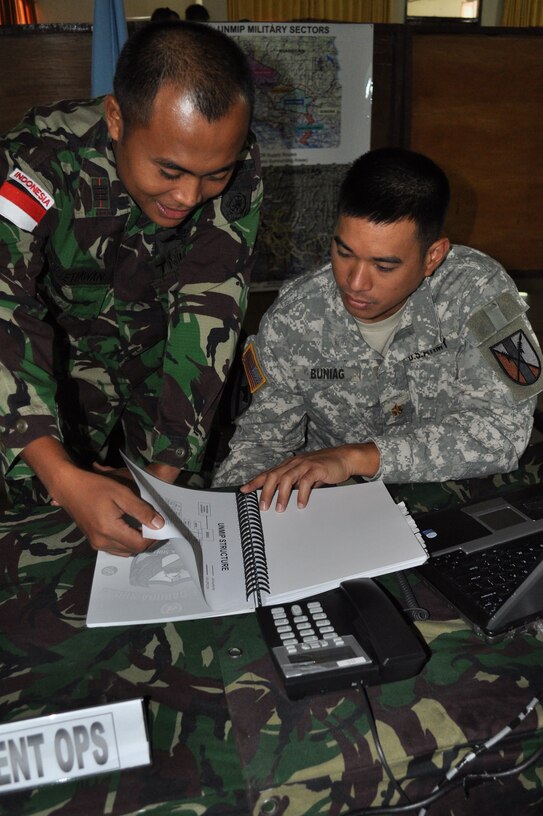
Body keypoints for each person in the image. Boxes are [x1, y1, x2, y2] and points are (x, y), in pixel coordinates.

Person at [0, 20, 263, 555]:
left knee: (161, 536)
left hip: (163, 365)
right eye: (169, 169)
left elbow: (211, 308)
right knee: (37, 525)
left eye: (215, 174)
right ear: (117, 119)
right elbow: (5, 307)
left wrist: (161, 480)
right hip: (50, 375)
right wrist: (61, 475)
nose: (190, 194)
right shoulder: (41, 160)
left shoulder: (232, 162)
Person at [214, 148, 543, 512]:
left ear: (432, 256)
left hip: (453, 496)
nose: (355, 282)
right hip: (340, 506)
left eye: (384, 266)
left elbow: (501, 432)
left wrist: (356, 457)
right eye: (344, 252)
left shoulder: (478, 295)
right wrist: (224, 524)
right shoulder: (294, 320)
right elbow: (260, 445)